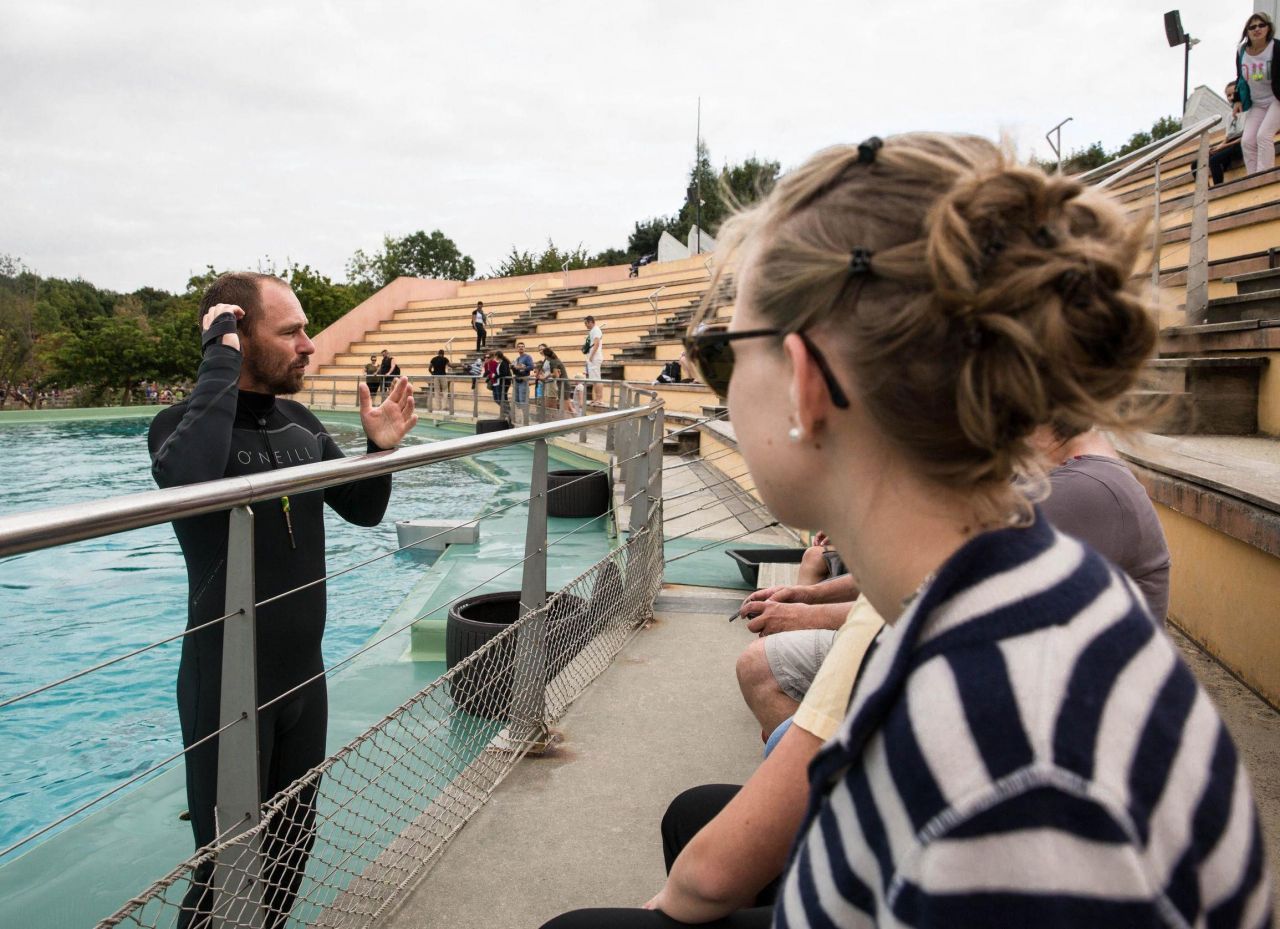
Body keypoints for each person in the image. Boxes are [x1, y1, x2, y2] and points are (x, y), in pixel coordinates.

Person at [544, 134, 1272, 928]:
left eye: (721, 356)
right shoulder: (1013, 588)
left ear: (806, 386)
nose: (711, 382)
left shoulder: (1005, 772)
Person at [148, 271, 417, 927]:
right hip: (225, 686)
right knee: (225, 871)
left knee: (292, 847)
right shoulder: (179, 428)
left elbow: (362, 509)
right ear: (238, 337)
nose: (308, 345)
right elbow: (188, 481)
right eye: (291, 331)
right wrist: (219, 359)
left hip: (303, 678)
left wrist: (378, 452)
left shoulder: (300, 423)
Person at [1236, 11, 1280, 174]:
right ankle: (1253, 177)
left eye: (1261, 25)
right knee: (1247, 141)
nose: (1257, 29)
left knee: (1263, 136)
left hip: (1276, 99)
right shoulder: (1241, 51)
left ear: (1268, 28)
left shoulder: (1276, 47)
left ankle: (1264, 176)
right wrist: (1237, 99)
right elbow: (1240, 77)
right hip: (1257, 103)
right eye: (1252, 27)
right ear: (1247, 31)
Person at [1211, 81, 1247, 185]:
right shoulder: (1229, 116)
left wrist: (1224, 146)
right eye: (1228, 95)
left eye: (1233, 94)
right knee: (1197, 163)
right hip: (1230, 144)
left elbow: (1246, 136)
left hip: (1241, 143)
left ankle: (1218, 189)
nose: (1231, 98)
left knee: (1214, 160)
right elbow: (1227, 137)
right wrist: (1219, 146)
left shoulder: (1248, 112)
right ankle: (1204, 191)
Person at [583, 315, 603, 402]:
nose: (585, 325)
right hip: (592, 358)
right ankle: (596, 398)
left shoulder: (596, 330)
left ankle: (599, 398)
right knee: (594, 379)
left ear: (591, 322)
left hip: (595, 357)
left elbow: (596, 343)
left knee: (597, 378)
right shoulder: (593, 331)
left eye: (586, 323)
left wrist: (591, 356)